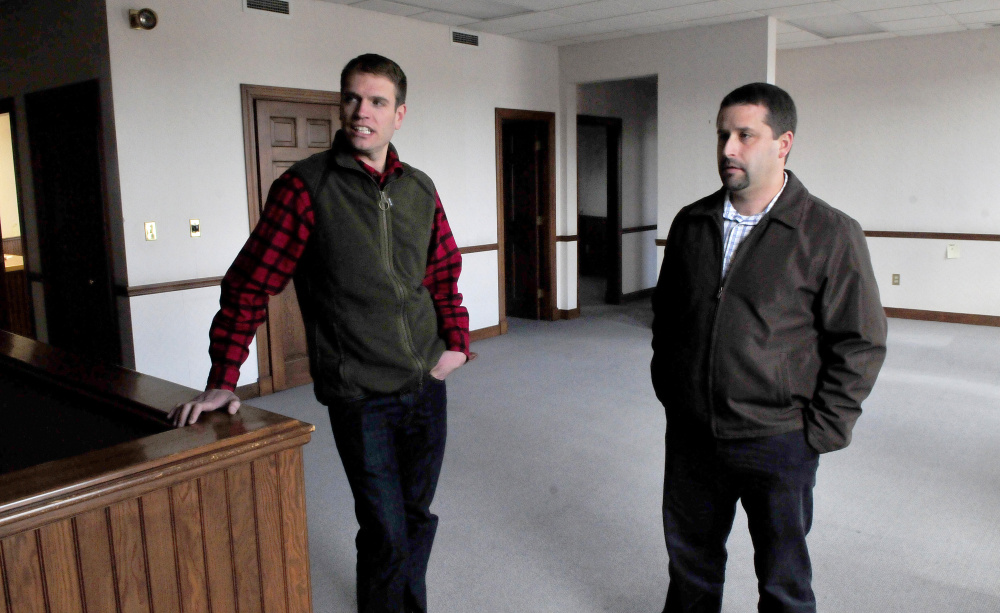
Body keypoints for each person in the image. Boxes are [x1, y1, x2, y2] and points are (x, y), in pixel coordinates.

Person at [170, 53, 471, 613]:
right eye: (353, 99)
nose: (363, 112)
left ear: (398, 114)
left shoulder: (420, 189)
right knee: (384, 527)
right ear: (341, 104)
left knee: (417, 516)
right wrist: (222, 379)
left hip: (426, 383)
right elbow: (248, 285)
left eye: (378, 102)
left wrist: (455, 345)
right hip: (360, 394)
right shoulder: (304, 188)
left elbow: (443, 272)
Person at [650, 82, 887, 613]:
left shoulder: (829, 232)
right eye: (722, 135)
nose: (728, 149)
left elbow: (861, 341)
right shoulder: (692, 223)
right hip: (692, 435)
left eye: (744, 135)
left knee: (783, 579)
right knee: (690, 567)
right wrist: (672, 390)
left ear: (783, 143)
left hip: (777, 440)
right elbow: (667, 317)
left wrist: (820, 431)